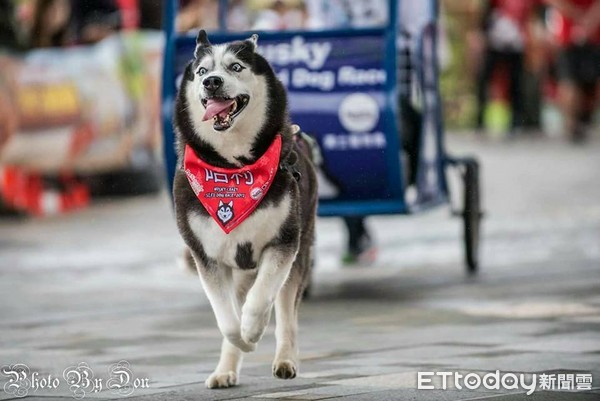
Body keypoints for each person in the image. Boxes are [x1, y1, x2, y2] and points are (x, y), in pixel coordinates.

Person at [475, 0, 542, 135]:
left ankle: (517, 120)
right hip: (494, 43)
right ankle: (480, 119)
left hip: (516, 44)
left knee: (516, 84)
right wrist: (482, 36)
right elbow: (485, 14)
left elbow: (533, 15)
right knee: (484, 80)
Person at [545, 0, 600, 142]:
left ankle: (572, 124)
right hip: (581, 35)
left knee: (570, 81)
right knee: (570, 83)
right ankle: (574, 123)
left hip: (577, 35)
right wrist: (587, 18)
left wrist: (580, 16)